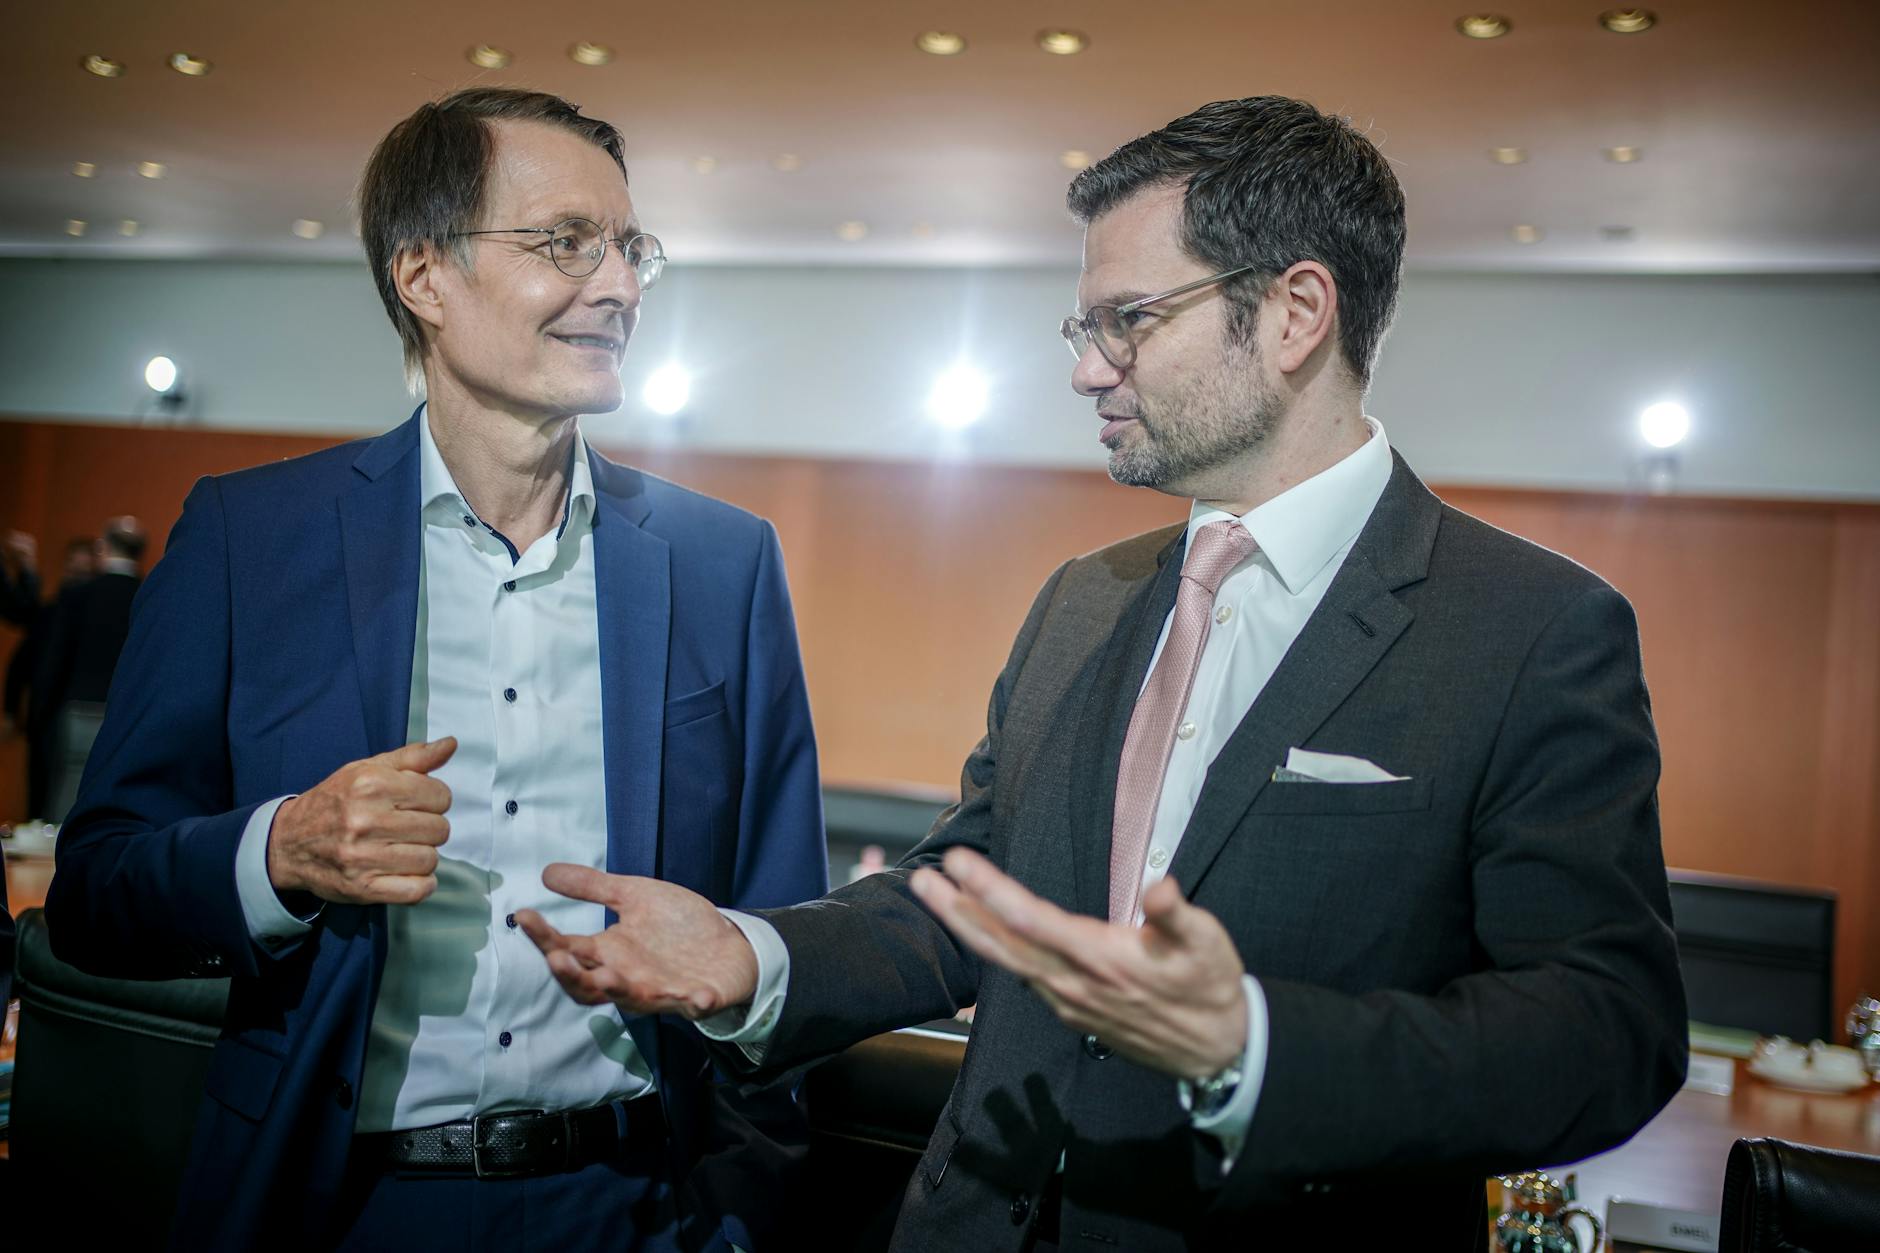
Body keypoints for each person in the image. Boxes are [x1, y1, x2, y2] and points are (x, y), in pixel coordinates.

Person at [519, 96, 1688, 1251]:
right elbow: (967, 891)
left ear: (1293, 313)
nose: (1089, 371)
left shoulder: (1532, 628)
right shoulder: (1086, 596)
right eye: (1082, 329)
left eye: (1126, 319)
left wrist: (1251, 1041)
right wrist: (754, 954)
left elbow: (1605, 1029)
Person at [47, 87, 825, 1251]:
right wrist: (282, 849)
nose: (616, 286)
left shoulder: (725, 564)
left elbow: (785, 918)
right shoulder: (249, 541)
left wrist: (736, 1219)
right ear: (424, 277)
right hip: (332, 1204)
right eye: (566, 242)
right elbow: (96, 892)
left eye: (629, 249)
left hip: (633, 1204)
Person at [28, 520, 142, 819]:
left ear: (103, 548)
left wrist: (39, 713)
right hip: (127, 713)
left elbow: (54, 659)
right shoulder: (149, 597)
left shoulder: (78, 595)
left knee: (69, 792)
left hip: (78, 707)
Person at [4, 536, 95, 818]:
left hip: (76, 718)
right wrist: (10, 710)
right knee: (40, 801)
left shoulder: (96, 620)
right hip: (45, 721)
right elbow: (20, 663)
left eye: (83, 573)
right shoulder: (50, 613)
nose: (75, 579)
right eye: (72, 570)